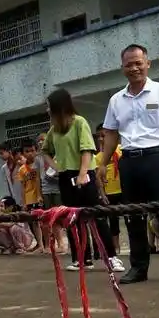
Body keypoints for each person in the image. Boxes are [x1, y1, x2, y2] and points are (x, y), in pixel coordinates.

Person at [98, 43, 159, 284]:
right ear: (122, 68)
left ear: (147, 64)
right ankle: (139, 268)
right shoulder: (116, 100)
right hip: (128, 162)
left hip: (157, 158)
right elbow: (110, 134)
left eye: (138, 63)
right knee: (132, 216)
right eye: (129, 64)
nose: (134, 68)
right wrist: (103, 164)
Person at [43, 88, 124, 273]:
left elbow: (87, 150)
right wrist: (56, 168)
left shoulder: (79, 122)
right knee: (72, 219)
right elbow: (45, 151)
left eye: (49, 106)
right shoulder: (54, 129)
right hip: (65, 177)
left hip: (84, 174)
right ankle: (82, 258)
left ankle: (111, 257)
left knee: (96, 216)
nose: (47, 110)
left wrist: (82, 173)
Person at [95, 123, 127, 255]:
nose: (101, 139)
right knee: (113, 221)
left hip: (123, 189)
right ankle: (115, 246)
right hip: (109, 192)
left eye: (104, 135)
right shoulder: (98, 157)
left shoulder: (121, 149)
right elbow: (97, 178)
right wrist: (102, 194)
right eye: (99, 137)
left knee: (129, 217)